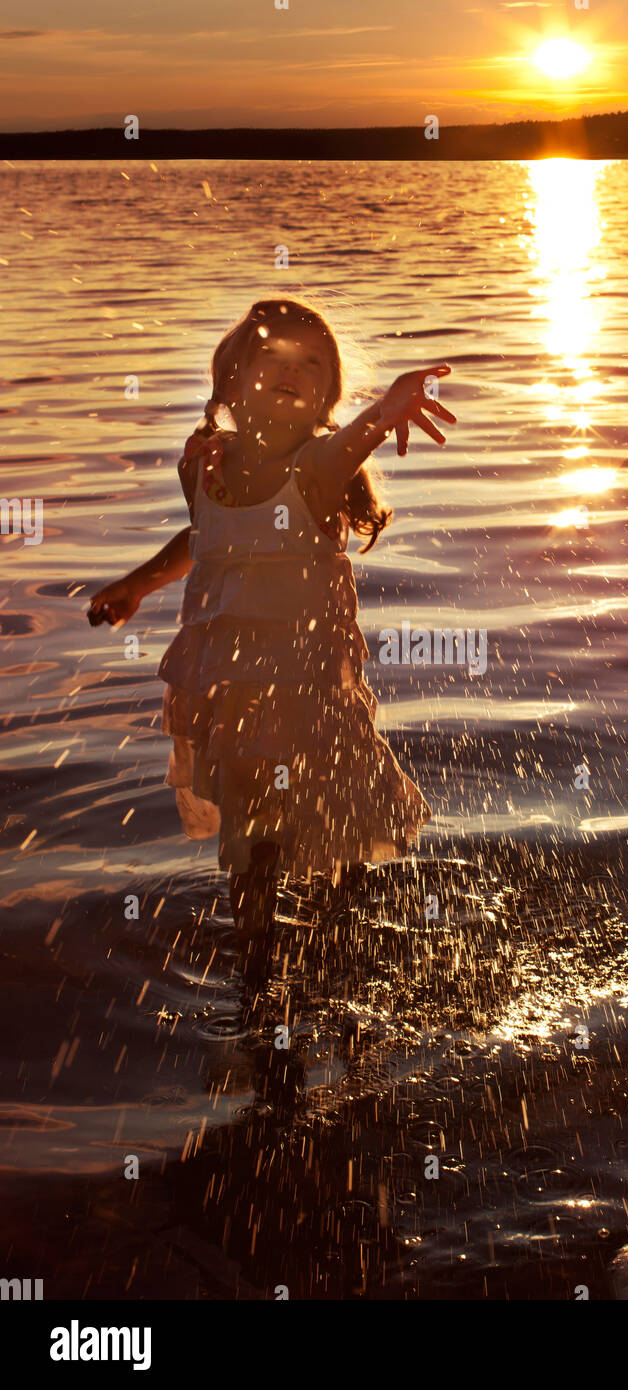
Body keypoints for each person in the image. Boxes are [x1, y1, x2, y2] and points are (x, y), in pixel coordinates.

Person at [87, 298, 455, 1016]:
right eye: (273, 359)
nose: (292, 371)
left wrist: (391, 405)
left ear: (326, 400)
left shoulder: (317, 469)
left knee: (337, 826)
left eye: (311, 364)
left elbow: (362, 437)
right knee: (251, 845)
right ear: (230, 383)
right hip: (233, 692)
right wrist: (136, 583)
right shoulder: (205, 468)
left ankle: (345, 961)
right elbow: (205, 539)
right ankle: (260, 976)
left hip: (310, 695)